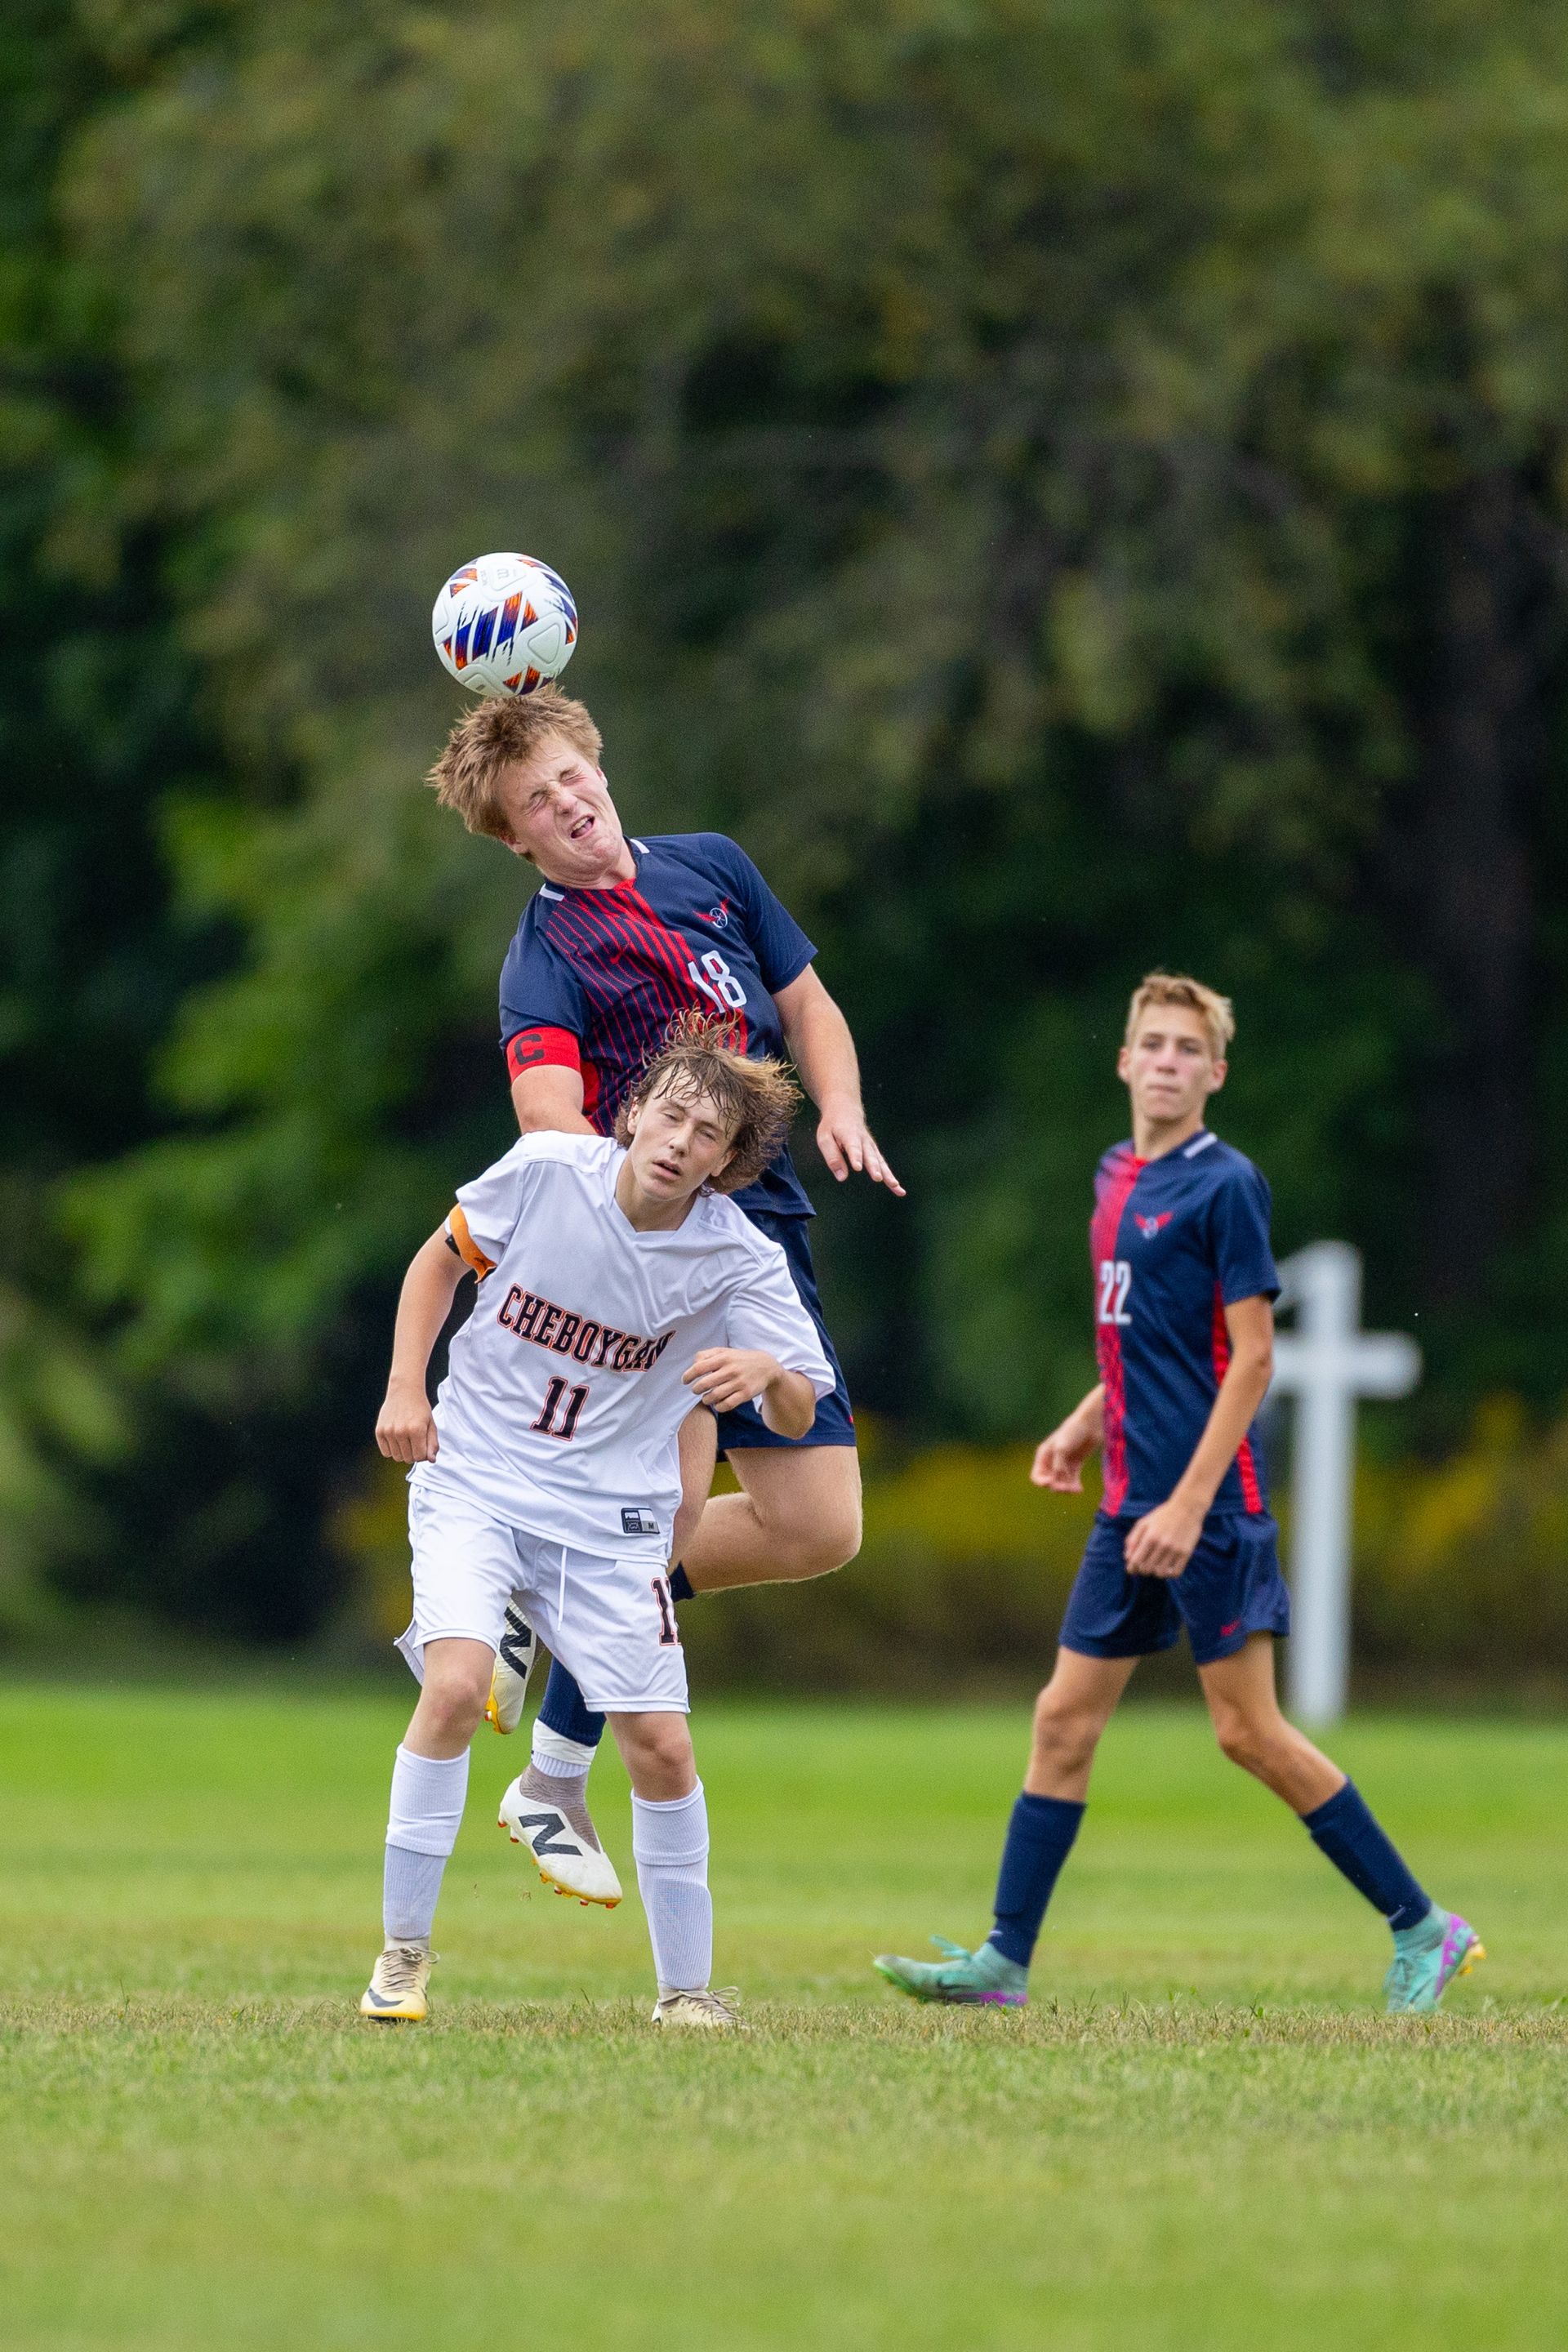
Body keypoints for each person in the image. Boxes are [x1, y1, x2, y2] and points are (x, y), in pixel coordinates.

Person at [874, 973, 1483, 2017]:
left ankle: (1424, 1927)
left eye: (1185, 1049)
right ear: (1124, 1061)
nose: (1165, 1061)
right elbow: (1146, 1347)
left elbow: (1250, 1361)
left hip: (1207, 1510)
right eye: (1149, 1044)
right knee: (1063, 1719)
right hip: (1130, 1509)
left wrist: (1190, 1506)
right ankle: (1003, 1965)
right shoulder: (1116, 1175)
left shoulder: (1225, 1185)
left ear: (1214, 1073)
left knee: (1248, 1733)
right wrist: (1083, 1422)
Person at [425, 685, 902, 1891]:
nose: (568, 804)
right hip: (664, 1272)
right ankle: (552, 1777)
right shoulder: (543, 959)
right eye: (538, 801)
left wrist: (838, 1105)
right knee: (658, 1524)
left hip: (769, 1239)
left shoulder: (712, 867)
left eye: (571, 776)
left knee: (818, 1527)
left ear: (596, 760)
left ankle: (546, 1609)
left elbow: (806, 1004)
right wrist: (624, 1221)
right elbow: (548, 1118)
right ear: (515, 839)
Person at [360, 1022, 833, 2029]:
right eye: (669, 1112)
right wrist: (409, 1390)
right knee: (453, 1688)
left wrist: (768, 1377)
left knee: (661, 1748)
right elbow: (435, 1266)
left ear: (727, 1161)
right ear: (632, 1112)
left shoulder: (737, 1257)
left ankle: (687, 1995)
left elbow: (798, 1408)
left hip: (607, 1518)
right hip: (476, 1478)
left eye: (708, 1133)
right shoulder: (545, 1171)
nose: (680, 1139)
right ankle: (401, 1957)